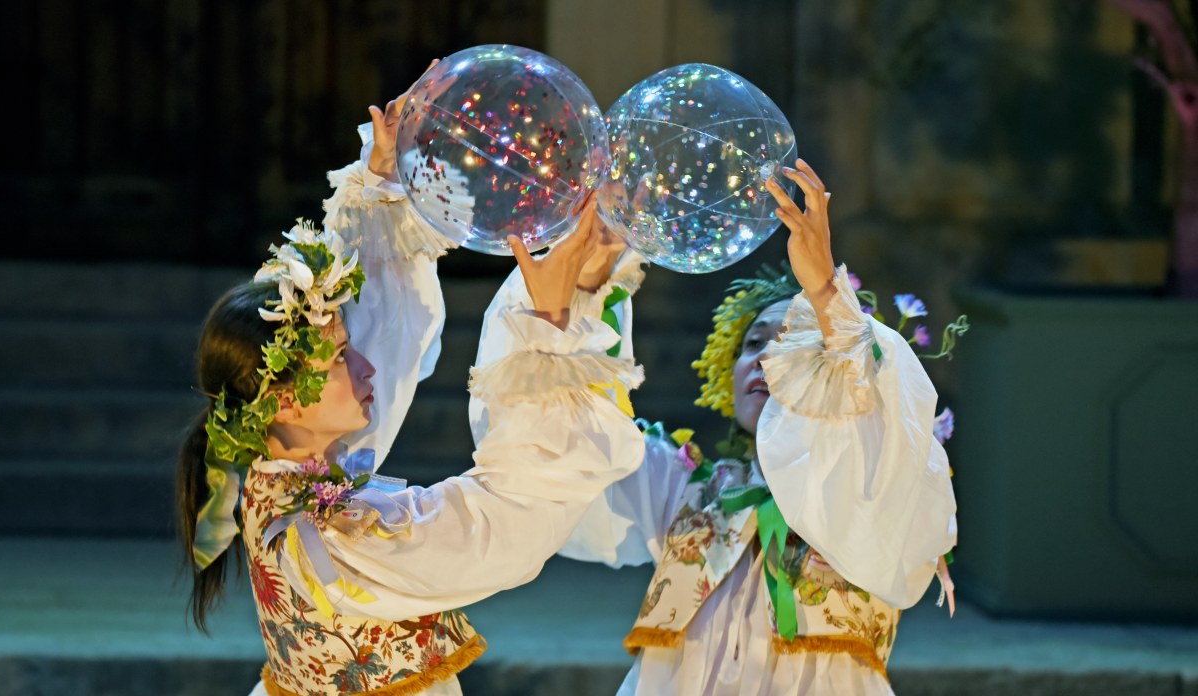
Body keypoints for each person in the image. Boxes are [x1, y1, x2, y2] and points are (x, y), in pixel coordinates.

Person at [177, 65, 645, 695]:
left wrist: (384, 182)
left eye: (347, 349)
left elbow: (376, 326)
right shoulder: (335, 533)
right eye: (340, 360)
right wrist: (550, 322)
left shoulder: (277, 478)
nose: (365, 363)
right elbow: (505, 523)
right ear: (284, 400)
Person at [471, 159, 958, 695]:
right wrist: (583, 291)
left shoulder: (875, 489)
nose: (767, 360)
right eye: (752, 345)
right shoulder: (685, 486)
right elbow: (565, 449)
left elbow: (882, 410)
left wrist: (824, 293)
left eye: (793, 345)